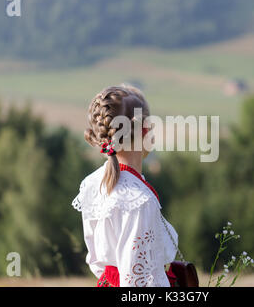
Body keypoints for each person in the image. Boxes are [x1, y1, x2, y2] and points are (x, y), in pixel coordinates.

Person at [72, 85, 178, 287]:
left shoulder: (93, 183)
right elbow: (138, 282)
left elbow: (99, 262)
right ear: (145, 129)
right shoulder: (139, 200)